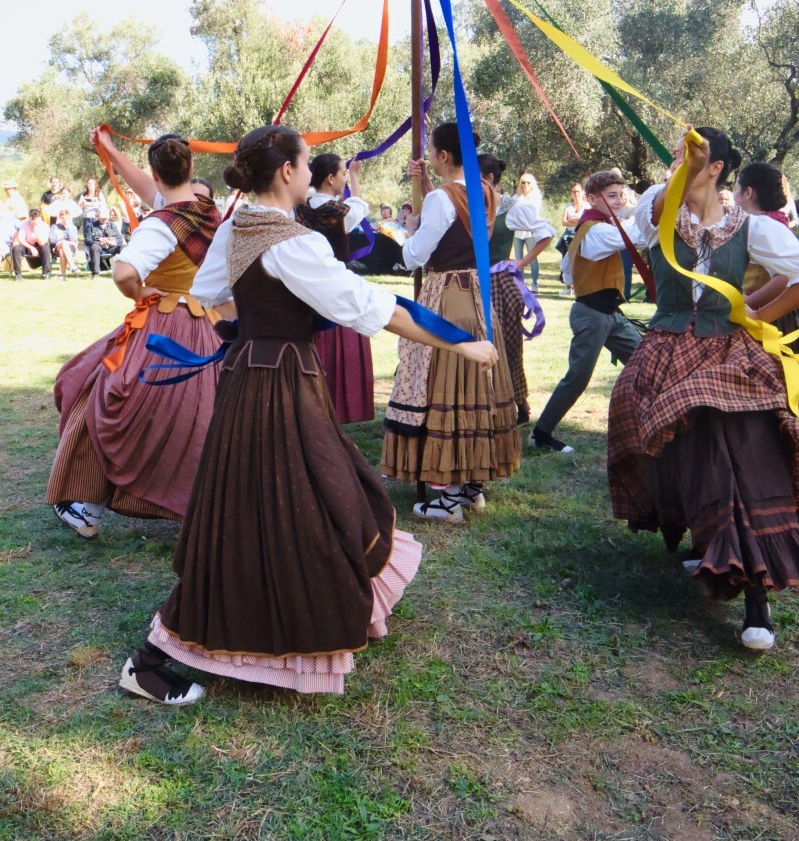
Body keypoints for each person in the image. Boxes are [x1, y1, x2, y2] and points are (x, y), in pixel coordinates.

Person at [116, 124, 498, 704]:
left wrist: (244, 334)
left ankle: (247, 626)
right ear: (289, 172)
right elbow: (375, 307)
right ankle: (157, 659)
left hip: (249, 376)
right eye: (304, 161)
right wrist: (463, 344)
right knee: (307, 495)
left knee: (265, 503)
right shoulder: (292, 242)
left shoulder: (240, 227)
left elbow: (211, 291)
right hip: (280, 385)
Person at [608, 127, 799, 652]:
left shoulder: (750, 228)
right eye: (677, 159)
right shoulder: (657, 213)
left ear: (718, 168)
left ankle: (757, 594)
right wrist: (681, 170)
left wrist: (753, 314)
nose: (680, 166)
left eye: (694, 159)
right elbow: (660, 204)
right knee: (686, 451)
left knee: (743, 456)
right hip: (665, 352)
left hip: (731, 353)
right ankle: (711, 541)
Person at [47, 133, 224, 540]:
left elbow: (124, 272)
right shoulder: (203, 210)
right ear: (191, 171)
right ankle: (209, 505)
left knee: (99, 393)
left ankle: (86, 505)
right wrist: (109, 150)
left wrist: (139, 291)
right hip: (208, 326)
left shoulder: (161, 223)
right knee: (205, 412)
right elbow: (150, 187)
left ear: (158, 174)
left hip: (165, 325)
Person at [382, 122, 520, 523]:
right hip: (478, 295)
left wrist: (407, 232)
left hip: (447, 295)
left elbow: (414, 256)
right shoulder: (486, 191)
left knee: (448, 381)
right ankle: (474, 484)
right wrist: (425, 187)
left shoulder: (444, 199)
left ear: (444, 155)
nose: (428, 152)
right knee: (476, 383)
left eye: (431, 148)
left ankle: (449, 496)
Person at [532, 169, 646, 455]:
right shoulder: (598, 230)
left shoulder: (596, 223)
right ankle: (541, 433)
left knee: (646, 363)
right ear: (592, 199)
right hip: (592, 315)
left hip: (610, 315)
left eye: (621, 195)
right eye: (611, 196)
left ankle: (647, 424)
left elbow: (568, 271)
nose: (619, 201)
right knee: (578, 378)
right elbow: (636, 236)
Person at [733, 161, 799, 398]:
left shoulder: (764, 225)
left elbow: (785, 278)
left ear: (748, 193)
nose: (733, 195)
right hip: (768, 315)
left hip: (773, 319)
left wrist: (753, 307)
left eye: (736, 188)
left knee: (771, 393)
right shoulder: (765, 222)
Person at [297, 153, 376, 423]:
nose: (344, 178)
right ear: (330, 178)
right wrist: (356, 175)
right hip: (335, 292)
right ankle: (339, 407)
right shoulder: (339, 212)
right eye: (342, 173)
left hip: (305, 292)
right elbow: (359, 204)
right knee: (336, 352)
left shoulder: (299, 209)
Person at [482, 153, 555, 426]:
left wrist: (521, 261)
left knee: (507, 345)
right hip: (469, 282)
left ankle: (519, 403)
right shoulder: (464, 203)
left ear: (489, 179)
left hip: (500, 284)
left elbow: (546, 232)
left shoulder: (511, 207)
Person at [511, 172, 544, 290]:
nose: (525, 185)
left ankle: (535, 284)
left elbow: (532, 213)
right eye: (523, 182)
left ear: (532, 184)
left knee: (532, 258)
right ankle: (520, 284)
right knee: (518, 259)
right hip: (518, 232)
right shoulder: (515, 198)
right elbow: (514, 214)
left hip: (531, 232)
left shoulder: (536, 197)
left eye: (528, 182)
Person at [11, 209, 52, 279]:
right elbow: (20, 239)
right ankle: (18, 274)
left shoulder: (45, 226)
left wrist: (35, 230)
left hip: (40, 245)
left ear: (39, 218)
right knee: (16, 248)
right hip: (27, 245)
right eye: (32, 219)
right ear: (29, 218)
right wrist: (31, 248)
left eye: (36, 219)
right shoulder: (24, 225)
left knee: (46, 249)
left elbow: (42, 242)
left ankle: (46, 273)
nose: (34, 221)